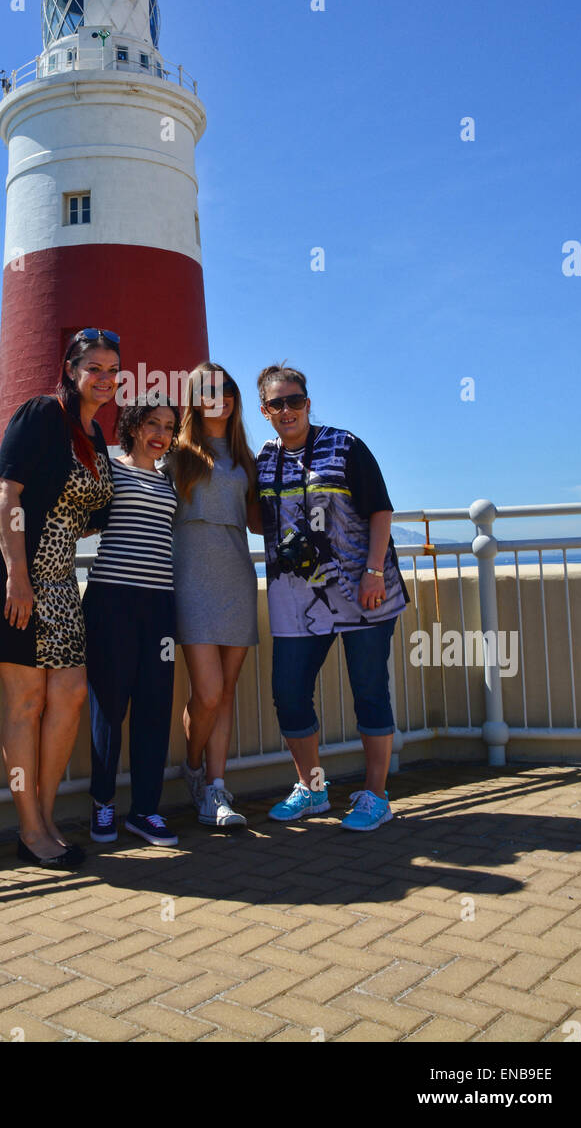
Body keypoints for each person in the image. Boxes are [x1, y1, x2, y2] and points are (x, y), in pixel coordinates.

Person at [0, 329, 118, 868]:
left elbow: (97, 509)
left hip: (59, 578)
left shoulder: (95, 434)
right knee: (26, 702)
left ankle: (47, 818)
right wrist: (17, 575)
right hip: (13, 571)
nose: (104, 377)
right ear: (71, 369)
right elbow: (6, 492)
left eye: (112, 369)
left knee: (71, 695)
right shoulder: (39, 414)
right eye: (94, 367)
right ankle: (30, 829)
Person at [255, 363, 409, 832]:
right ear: (264, 410)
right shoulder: (263, 459)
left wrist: (373, 572)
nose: (287, 410)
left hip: (363, 589)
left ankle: (376, 796)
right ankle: (313, 788)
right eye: (277, 403)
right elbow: (254, 517)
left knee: (368, 691)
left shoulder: (346, 445)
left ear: (308, 401)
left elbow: (380, 510)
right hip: (296, 596)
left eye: (295, 400)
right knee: (289, 692)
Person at [84, 394, 180, 847]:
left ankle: (145, 811)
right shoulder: (112, 468)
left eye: (168, 426)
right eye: (152, 424)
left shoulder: (171, 482)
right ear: (133, 426)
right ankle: (103, 804)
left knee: (155, 706)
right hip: (111, 601)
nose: (161, 434)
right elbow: (84, 516)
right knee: (108, 705)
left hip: (159, 604)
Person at [168, 362, 261, 828]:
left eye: (226, 389)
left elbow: (261, 520)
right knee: (206, 693)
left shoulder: (247, 458)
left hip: (237, 578)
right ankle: (193, 765)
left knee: (225, 694)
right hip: (190, 579)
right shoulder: (177, 453)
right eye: (207, 390)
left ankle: (216, 789)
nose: (218, 396)